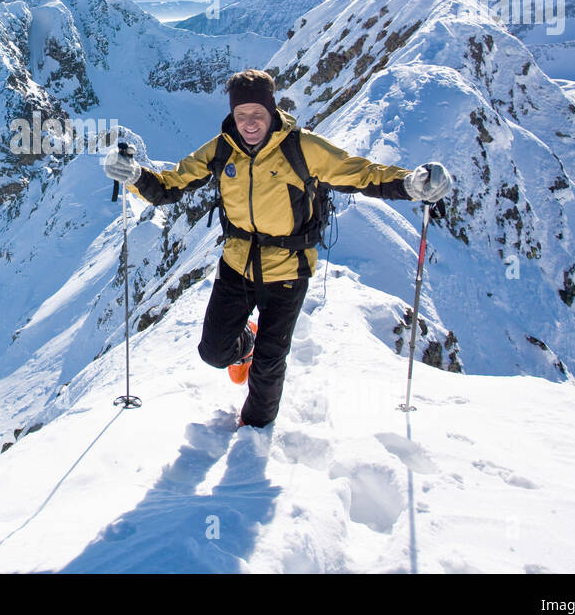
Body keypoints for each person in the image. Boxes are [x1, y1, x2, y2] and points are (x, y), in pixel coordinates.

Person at [102, 68, 452, 429]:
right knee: (213, 352)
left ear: (272, 111)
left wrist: (409, 184)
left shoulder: (302, 147)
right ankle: (246, 341)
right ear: (232, 115)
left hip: (288, 269)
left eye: (257, 114)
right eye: (241, 115)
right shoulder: (222, 149)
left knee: (270, 364)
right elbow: (172, 185)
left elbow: (360, 173)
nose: (249, 123)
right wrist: (135, 177)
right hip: (236, 264)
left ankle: (252, 434)